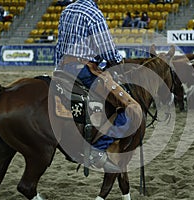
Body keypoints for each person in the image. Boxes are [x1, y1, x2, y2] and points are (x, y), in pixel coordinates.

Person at [55, 0, 142, 172]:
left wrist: (57, 70)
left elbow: (59, 45)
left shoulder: (67, 10)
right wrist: (118, 62)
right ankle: (98, 149)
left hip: (64, 68)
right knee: (130, 107)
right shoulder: (93, 14)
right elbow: (107, 50)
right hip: (85, 71)